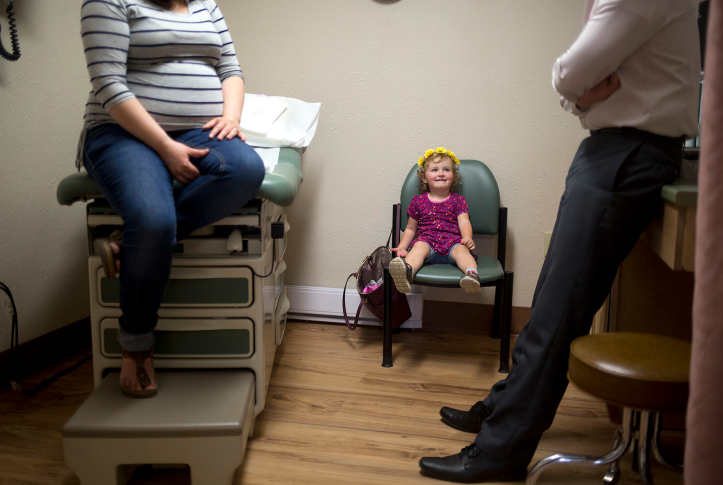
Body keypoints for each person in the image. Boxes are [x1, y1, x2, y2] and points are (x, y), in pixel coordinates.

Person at [419, 0, 700, 481]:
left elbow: (571, 70)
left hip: (628, 151)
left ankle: (500, 453)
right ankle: (502, 409)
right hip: (614, 150)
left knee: (556, 312)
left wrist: (577, 90)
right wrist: (582, 94)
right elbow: (579, 84)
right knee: (551, 300)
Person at [78, 0, 265, 398]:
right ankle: (137, 345)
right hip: (120, 134)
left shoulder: (205, 5)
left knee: (247, 168)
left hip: (197, 130)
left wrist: (231, 118)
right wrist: (164, 146)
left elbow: (230, 69)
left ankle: (132, 248)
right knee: (153, 221)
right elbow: (108, 83)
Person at [390, 148, 481, 294]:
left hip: (453, 243)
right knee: (418, 248)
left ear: (453, 176)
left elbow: (464, 222)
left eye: (446, 169)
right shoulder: (418, 201)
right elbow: (410, 229)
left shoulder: (458, 200)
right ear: (424, 178)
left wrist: (467, 238)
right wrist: (402, 247)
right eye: (434, 170)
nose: (441, 173)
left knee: (463, 251)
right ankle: (407, 273)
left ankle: (471, 275)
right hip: (427, 242)